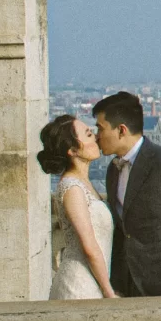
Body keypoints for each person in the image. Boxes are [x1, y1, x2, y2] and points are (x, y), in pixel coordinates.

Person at [91, 91, 161, 297]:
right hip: (125, 284)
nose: (97, 136)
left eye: (100, 128)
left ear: (121, 130)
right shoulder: (112, 170)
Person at [36, 114, 117, 299]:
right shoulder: (72, 188)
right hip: (79, 286)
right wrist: (108, 291)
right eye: (88, 134)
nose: (96, 137)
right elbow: (89, 246)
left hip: (91, 281)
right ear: (72, 150)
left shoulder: (83, 183)